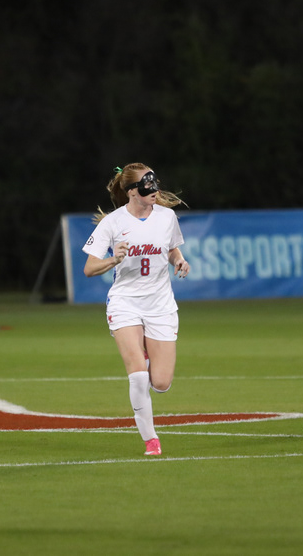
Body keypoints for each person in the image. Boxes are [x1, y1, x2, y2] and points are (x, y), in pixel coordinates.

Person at [82, 163, 189, 456]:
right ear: (131, 191)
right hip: (125, 303)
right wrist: (113, 260)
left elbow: (171, 248)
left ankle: (147, 358)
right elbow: (89, 268)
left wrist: (179, 260)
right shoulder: (113, 223)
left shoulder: (166, 217)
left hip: (160, 304)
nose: (154, 190)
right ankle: (151, 441)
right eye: (146, 186)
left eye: (155, 184)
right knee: (139, 375)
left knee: (161, 383)